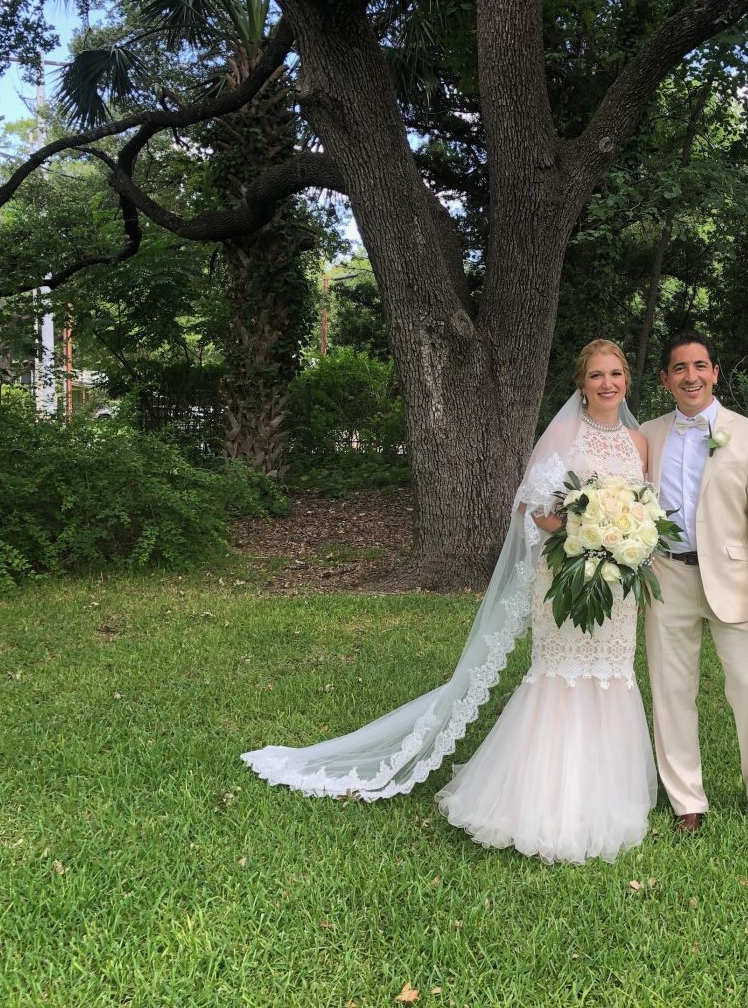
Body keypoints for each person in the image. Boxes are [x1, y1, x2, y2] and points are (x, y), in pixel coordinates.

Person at [242, 340, 657, 865]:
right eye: (596, 375)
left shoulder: (639, 444)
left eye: (616, 373)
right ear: (581, 383)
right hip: (568, 576)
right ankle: (543, 802)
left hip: (617, 588)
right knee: (564, 675)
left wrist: (624, 543)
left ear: (626, 379)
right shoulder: (562, 436)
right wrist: (589, 533)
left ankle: (610, 796)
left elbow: (645, 514)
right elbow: (534, 509)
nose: (608, 384)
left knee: (611, 673)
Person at [641, 331, 748, 835]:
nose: (691, 376)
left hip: (736, 581)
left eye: (699, 366)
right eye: (679, 368)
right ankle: (687, 799)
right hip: (667, 578)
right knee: (670, 690)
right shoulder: (648, 435)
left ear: (715, 373)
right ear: (665, 379)